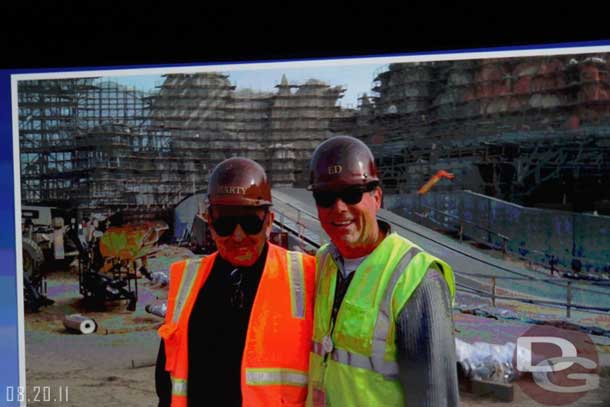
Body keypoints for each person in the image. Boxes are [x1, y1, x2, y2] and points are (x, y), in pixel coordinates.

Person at [306, 136, 459, 406]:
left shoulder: (416, 278)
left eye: (352, 194)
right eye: (326, 197)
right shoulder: (322, 263)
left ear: (376, 197)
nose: (339, 208)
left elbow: (434, 397)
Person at [155, 157, 316, 407]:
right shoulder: (187, 279)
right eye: (226, 222)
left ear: (269, 221)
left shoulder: (305, 276)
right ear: (209, 221)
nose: (238, 236)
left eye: (250, 222)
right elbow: (167, 381)